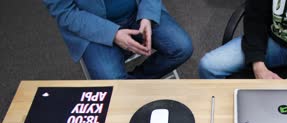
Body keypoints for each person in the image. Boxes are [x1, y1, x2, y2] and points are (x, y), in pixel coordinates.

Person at [43, 0, 193, 79]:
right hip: (93, 28)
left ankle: (132, 85)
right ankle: (125, 88)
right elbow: (65, 13)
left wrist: (147, 15)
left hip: (137, 11)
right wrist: (113, 34)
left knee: (182, 48)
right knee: (111, 78)